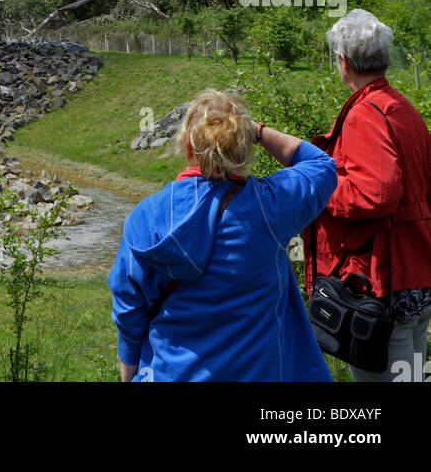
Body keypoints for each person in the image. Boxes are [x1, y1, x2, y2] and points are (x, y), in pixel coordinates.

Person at [109, 88, 337, 381]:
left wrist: (129, 373)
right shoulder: (269, 206)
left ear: (189, 149)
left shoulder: (146, 215)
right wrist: (259, 131)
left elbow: (128, 308)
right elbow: (322, 165)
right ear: (243, 146)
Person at [302, 9, 431, 383]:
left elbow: (376, 192)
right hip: (417, 269)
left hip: (384, 278)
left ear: (343, 63)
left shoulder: (365, 114)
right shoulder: (403, 107)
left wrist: (319, 190)